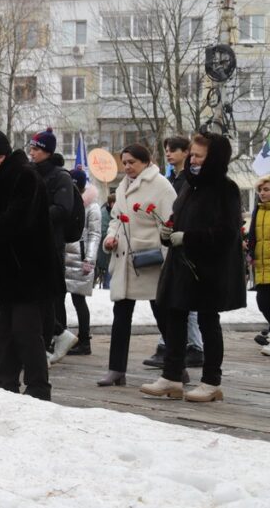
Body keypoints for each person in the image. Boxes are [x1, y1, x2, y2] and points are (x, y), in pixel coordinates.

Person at [142, 133, 247, 401]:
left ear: (214, 159)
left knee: (207, 321)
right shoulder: (190, 186)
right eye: (193, 155)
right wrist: (169, 229)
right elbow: (180, 217)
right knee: (174, 315)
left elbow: (227, 233)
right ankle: (172, 376)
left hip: (208, 269)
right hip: (182, 265)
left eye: (200, 156)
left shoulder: (226, 189)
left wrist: (189, 237)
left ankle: (211, 382)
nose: (194, 160)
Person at [0, 131, 53, 400]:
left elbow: (15, 221)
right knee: (5, 329)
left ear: (1, 156)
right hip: (11, 269)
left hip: (28, 269)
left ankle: (38, 387)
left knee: (26, 331)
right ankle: (6, 383)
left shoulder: (24, 177)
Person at [97, 144, 177, 387]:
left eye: (132, 162)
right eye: (125, 162)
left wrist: (164, 255)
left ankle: (177, 366)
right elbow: (115, 219)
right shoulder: (123, 185)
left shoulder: (161, 185)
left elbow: (171, 222)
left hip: (151, 260)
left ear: (146, 161)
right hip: (124, 259)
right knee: (121, 315)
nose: (127, 166)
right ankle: (116, 369)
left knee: (162, 314)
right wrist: (110, 237)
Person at [144, 135, 205, 369]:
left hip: (188, 243)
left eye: (173, 150)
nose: (169, 154)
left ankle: (193, 346)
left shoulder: (189, 182)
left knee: (184, 299)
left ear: (185, 152)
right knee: (171, 297)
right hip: (173, 240)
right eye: (167, 150)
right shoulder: (172, 179)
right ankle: (169, 345)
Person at [27, 127, 80, 363]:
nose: (32, 152)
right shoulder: (30, 173)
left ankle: (51, 341)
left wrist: (32, 215)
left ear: (47, 151)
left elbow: (63, 209)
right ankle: (57, 334)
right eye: (31, 147)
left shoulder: (61, 177)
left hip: (51, 244)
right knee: (35, 297)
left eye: (36, 149)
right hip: (32, 242)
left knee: (47, 297)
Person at [64, 172, 100, 356]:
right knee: (57, 299)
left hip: (80, 258)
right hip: (64, 257)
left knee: (79, 300)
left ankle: (84, 340)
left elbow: (94, 234)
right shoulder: (67, 201)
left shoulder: (92, 208)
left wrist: (90, 259)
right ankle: (60, 336)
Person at [248, 175, 270, 354]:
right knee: (262, 302)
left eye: (267, 190)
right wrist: (250, 253)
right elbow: (253, 236)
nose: (262, 193)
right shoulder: (258, 210)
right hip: (261, 265)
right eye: (260, 190)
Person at [95, 193, 116, 289]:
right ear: (111, 203)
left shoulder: (112, 212)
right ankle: (107, 288)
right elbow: (103, 232)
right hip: (105, 250)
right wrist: (112, 236)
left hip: (111, 250)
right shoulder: (104, 213)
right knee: (108, 269)